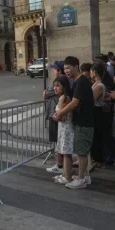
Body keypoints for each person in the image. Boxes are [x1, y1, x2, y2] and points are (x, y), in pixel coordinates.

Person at [55, 56, 94, 189]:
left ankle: (81, 179)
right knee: (82, 151)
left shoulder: (81, 82)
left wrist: (61, 112)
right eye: (64, 68)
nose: (66, 71)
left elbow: (75, 102)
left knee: (81, 153)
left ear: (76, 67)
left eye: (68, 68)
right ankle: (86, 177)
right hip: (83, 122)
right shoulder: (78, 81)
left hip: (85, 122)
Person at [52, 76, 74, 184]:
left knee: (66, 153)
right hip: (64, 128)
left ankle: (67, 176)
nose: (55, 88)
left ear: (64, 87)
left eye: (58, 86)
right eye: (54, 86)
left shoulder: (63, 98)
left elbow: (63, 117)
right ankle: (65, 174)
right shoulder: (66, 97)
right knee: (65, 152)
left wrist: (55, 116)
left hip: (66, 128)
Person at [44, 61, 65, 174]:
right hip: (56, 111)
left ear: (59, 70)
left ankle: (60, 164)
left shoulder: (59, 81)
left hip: (56, 112)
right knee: (59, 139)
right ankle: (61, 163)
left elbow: (47, 93)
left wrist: (47, 93)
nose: (53, 71)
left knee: (58, 139)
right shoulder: (64, 80)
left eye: (55, 69)